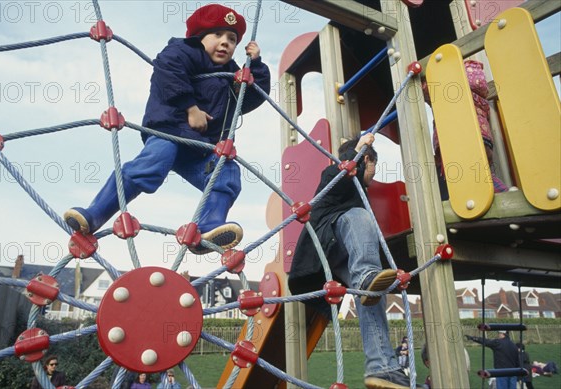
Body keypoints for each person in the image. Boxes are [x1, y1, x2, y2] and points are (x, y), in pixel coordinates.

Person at [64, 4, 271, 254]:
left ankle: (209, 225)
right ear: (199, 37)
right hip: (169, 132)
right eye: (217, 35)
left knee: (226, 173)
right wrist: (191, 108)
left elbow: (250, 98)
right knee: (150, 165)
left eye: (232, 39)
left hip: (199, 148)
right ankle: (96, 213)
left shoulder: (230, 74)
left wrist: (256, 65)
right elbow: (168, 70)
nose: (225, 42)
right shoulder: (185, 50)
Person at [289, 133, 409, 389]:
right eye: (373, 166)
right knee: (358, 216)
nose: (374, 174)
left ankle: (382, 366)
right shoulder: (334, 174)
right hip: (322, 247)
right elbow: (338, 178)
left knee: (372, 296)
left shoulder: (360, 191)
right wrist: (355, 152)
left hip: (340, 259)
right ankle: (366, 274)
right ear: (366, 159)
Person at [423, 60, 508, 200]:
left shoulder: (445, 90)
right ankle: (496, 193)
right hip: (479, 136)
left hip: (462, 136)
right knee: (478, 172)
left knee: (466, 173)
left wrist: (420, 77)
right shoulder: (476, 94)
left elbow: (427, 89)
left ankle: (500, 193)